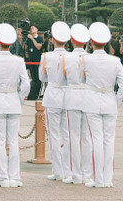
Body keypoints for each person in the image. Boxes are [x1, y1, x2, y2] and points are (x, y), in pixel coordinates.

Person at [82, 22, 123, 188]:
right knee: (109, 141)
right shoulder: (115, 61)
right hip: (109, 100)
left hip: (92, 101)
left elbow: (81, 80)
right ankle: (107, 179)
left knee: (96, 140)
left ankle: (97, 178)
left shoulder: (85, 60)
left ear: (91, 42)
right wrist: (115, 102)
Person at [0, 23, 31, 188]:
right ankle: (15, 177)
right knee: (13, 141)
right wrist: (19, 98)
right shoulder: (19, 61)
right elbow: (26, 84)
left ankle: (2, 177)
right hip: (13, 100)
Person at [39, 21, 71, 182]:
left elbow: (41, 77)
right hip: (68, 97)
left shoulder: (46, 56)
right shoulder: (72, 57)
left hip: (52, 95)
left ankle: (58, 170)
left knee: (54, 135)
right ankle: (67, 169)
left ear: (52, 39)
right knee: (67, 135)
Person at [63, 23, 92, 186]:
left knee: (73, 137)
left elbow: (62, 77)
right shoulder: (90, 58)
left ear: (72, 41)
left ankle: (76, 174)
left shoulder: (66, 58)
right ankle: (87, 173)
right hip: (87, 96)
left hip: (73, 95)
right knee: (86, 137)